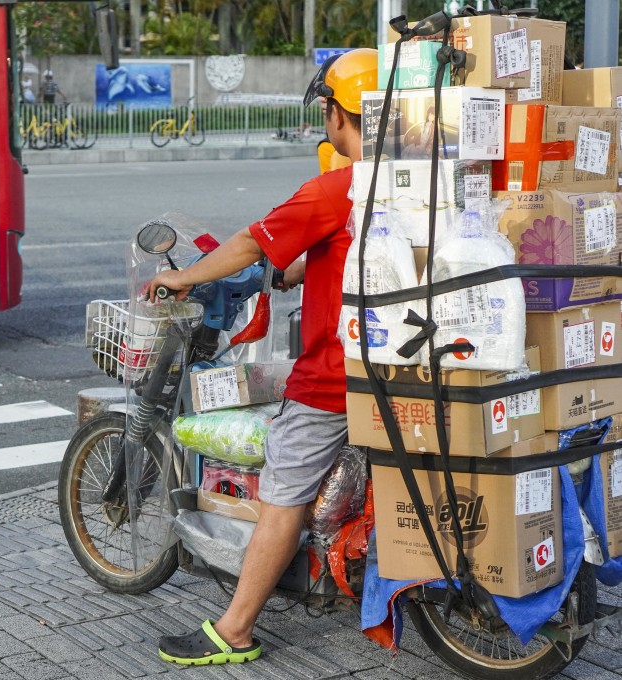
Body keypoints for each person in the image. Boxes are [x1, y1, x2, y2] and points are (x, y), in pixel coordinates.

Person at [150, 48, 378, 666]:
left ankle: (236, 628)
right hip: (405, 369)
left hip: (338, 378)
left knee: (284, 491)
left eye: (327, 109)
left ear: (338, 114)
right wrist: (301, 270)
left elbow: (254, 240)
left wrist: (184, 276)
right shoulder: (422, 181)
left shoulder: (339, 187)